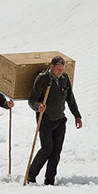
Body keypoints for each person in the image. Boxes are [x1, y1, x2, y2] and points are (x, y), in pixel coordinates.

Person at [26, 56, 82, 185]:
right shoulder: (42, 79)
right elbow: (32, 100)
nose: (60, 72)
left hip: (60, 120)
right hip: (45, 120)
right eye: (58, 69)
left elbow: (70, 98)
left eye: (62, 69)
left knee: (56, 152)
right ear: (51, 67)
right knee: (46, 149)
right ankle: (31, 175)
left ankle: (49, 180)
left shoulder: (64, 78)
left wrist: (77, 116)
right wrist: (38, 106)